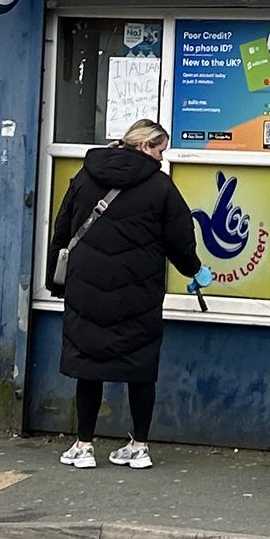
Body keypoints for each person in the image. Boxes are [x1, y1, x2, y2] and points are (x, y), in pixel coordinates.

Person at [47, 118, 202, 470]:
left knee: (89, 364)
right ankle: (139, 446)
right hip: (138, 289)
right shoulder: (161, 187)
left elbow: (63, 229)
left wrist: (56, 282)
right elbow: (180, 239)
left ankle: (84, 445)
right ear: (145, 146)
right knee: (140, 366)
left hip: (86, 285)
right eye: (160, 149)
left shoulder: (85, 176)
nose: (163, 157)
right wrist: (193, 270)